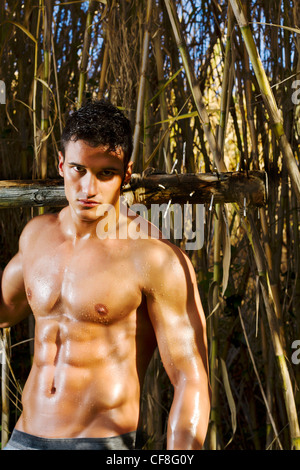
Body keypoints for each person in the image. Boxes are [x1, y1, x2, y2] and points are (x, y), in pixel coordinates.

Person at [0, 99, 211, 451]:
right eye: (78, 170)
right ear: (62, 165)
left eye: (105, 174)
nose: (88, 189)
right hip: (24, 438)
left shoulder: (155, 257)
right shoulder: (36, 236)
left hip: (101, 443)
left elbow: (192, 379)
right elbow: (4, 312)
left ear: (125, 175)